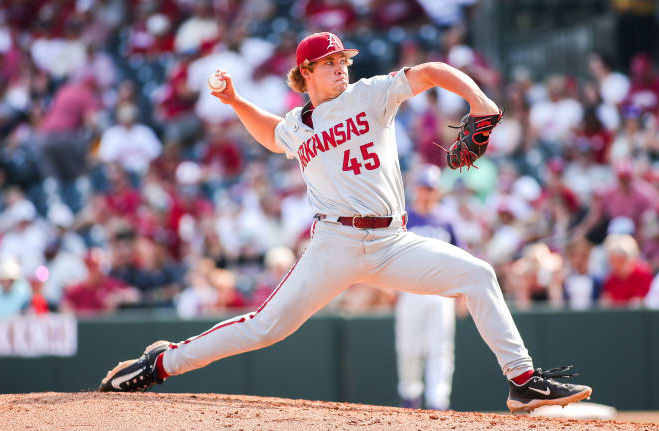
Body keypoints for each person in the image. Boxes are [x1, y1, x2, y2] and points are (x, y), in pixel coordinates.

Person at [99, 32, 592, 412]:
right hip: (333, 243)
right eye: (330, 63)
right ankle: (161, 363)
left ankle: (523, 383)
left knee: (479, 275)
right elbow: (272, 134)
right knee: (265, 327)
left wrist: (480, 103)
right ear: (305, 72)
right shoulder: (297, 125)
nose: (341, 69)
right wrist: (234, 103)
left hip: (392, 241)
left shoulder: (371, 94)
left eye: (343, 61)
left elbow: (432, 71)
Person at [395, 165, 457, 410]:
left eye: (431, 188)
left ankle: (437, 401)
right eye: (423, 187)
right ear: (416, 189)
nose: (427, 192)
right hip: (410, 289)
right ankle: (410, 397)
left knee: (441, 348)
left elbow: (460, 255)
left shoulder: (446, 219)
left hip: (441, 291)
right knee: (408, 347)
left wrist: (462, 294)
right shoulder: (405, 217)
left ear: (437, 191)